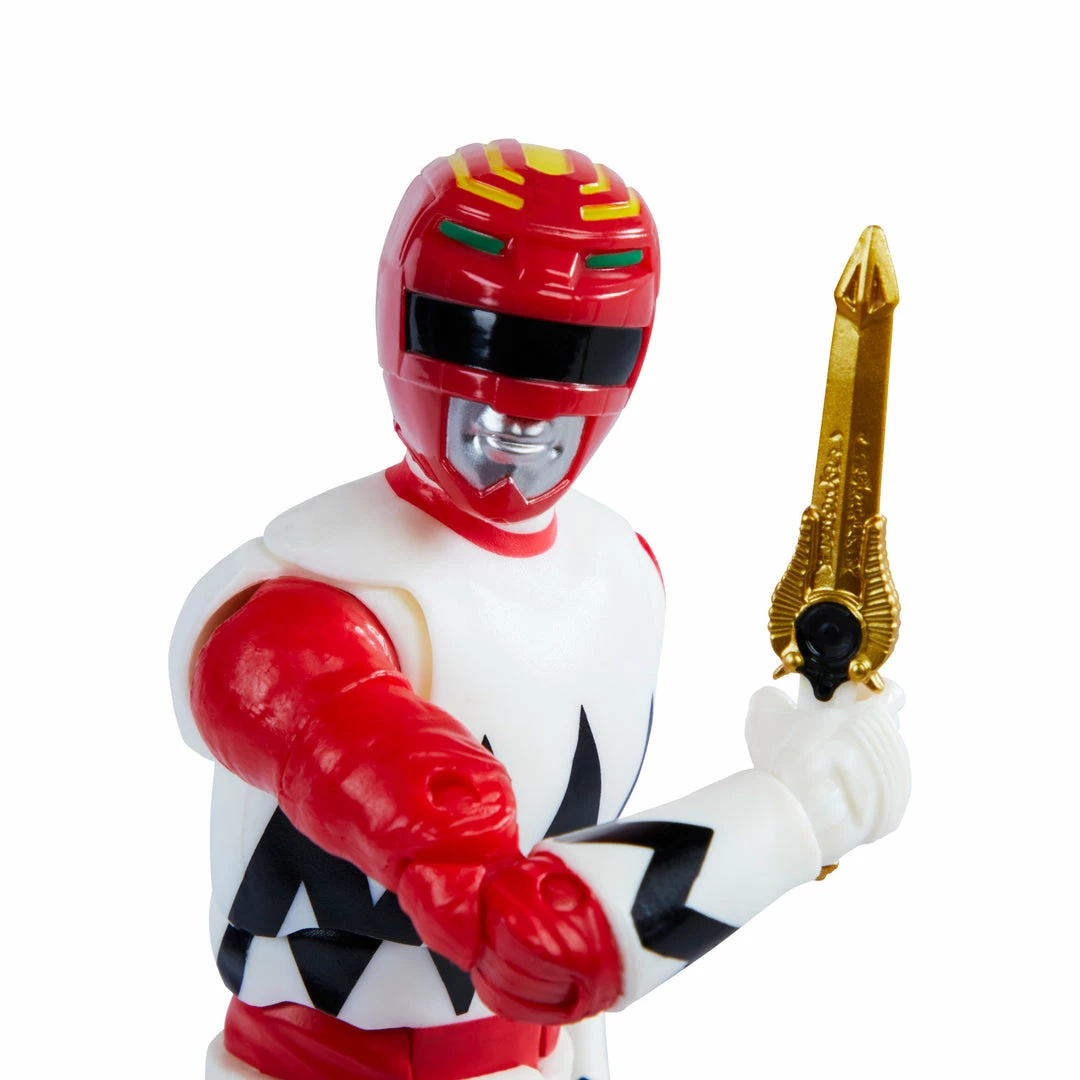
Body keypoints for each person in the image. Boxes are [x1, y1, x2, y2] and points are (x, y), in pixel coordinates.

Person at [169, 140, 911, 1080]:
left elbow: (565, 902)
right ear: (403, 322)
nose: (516, 422)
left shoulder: (622, 566)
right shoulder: (300, 611)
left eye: (570, 353)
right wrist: (798, 810)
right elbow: (529, 936)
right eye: (470, 335)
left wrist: (804, 771)